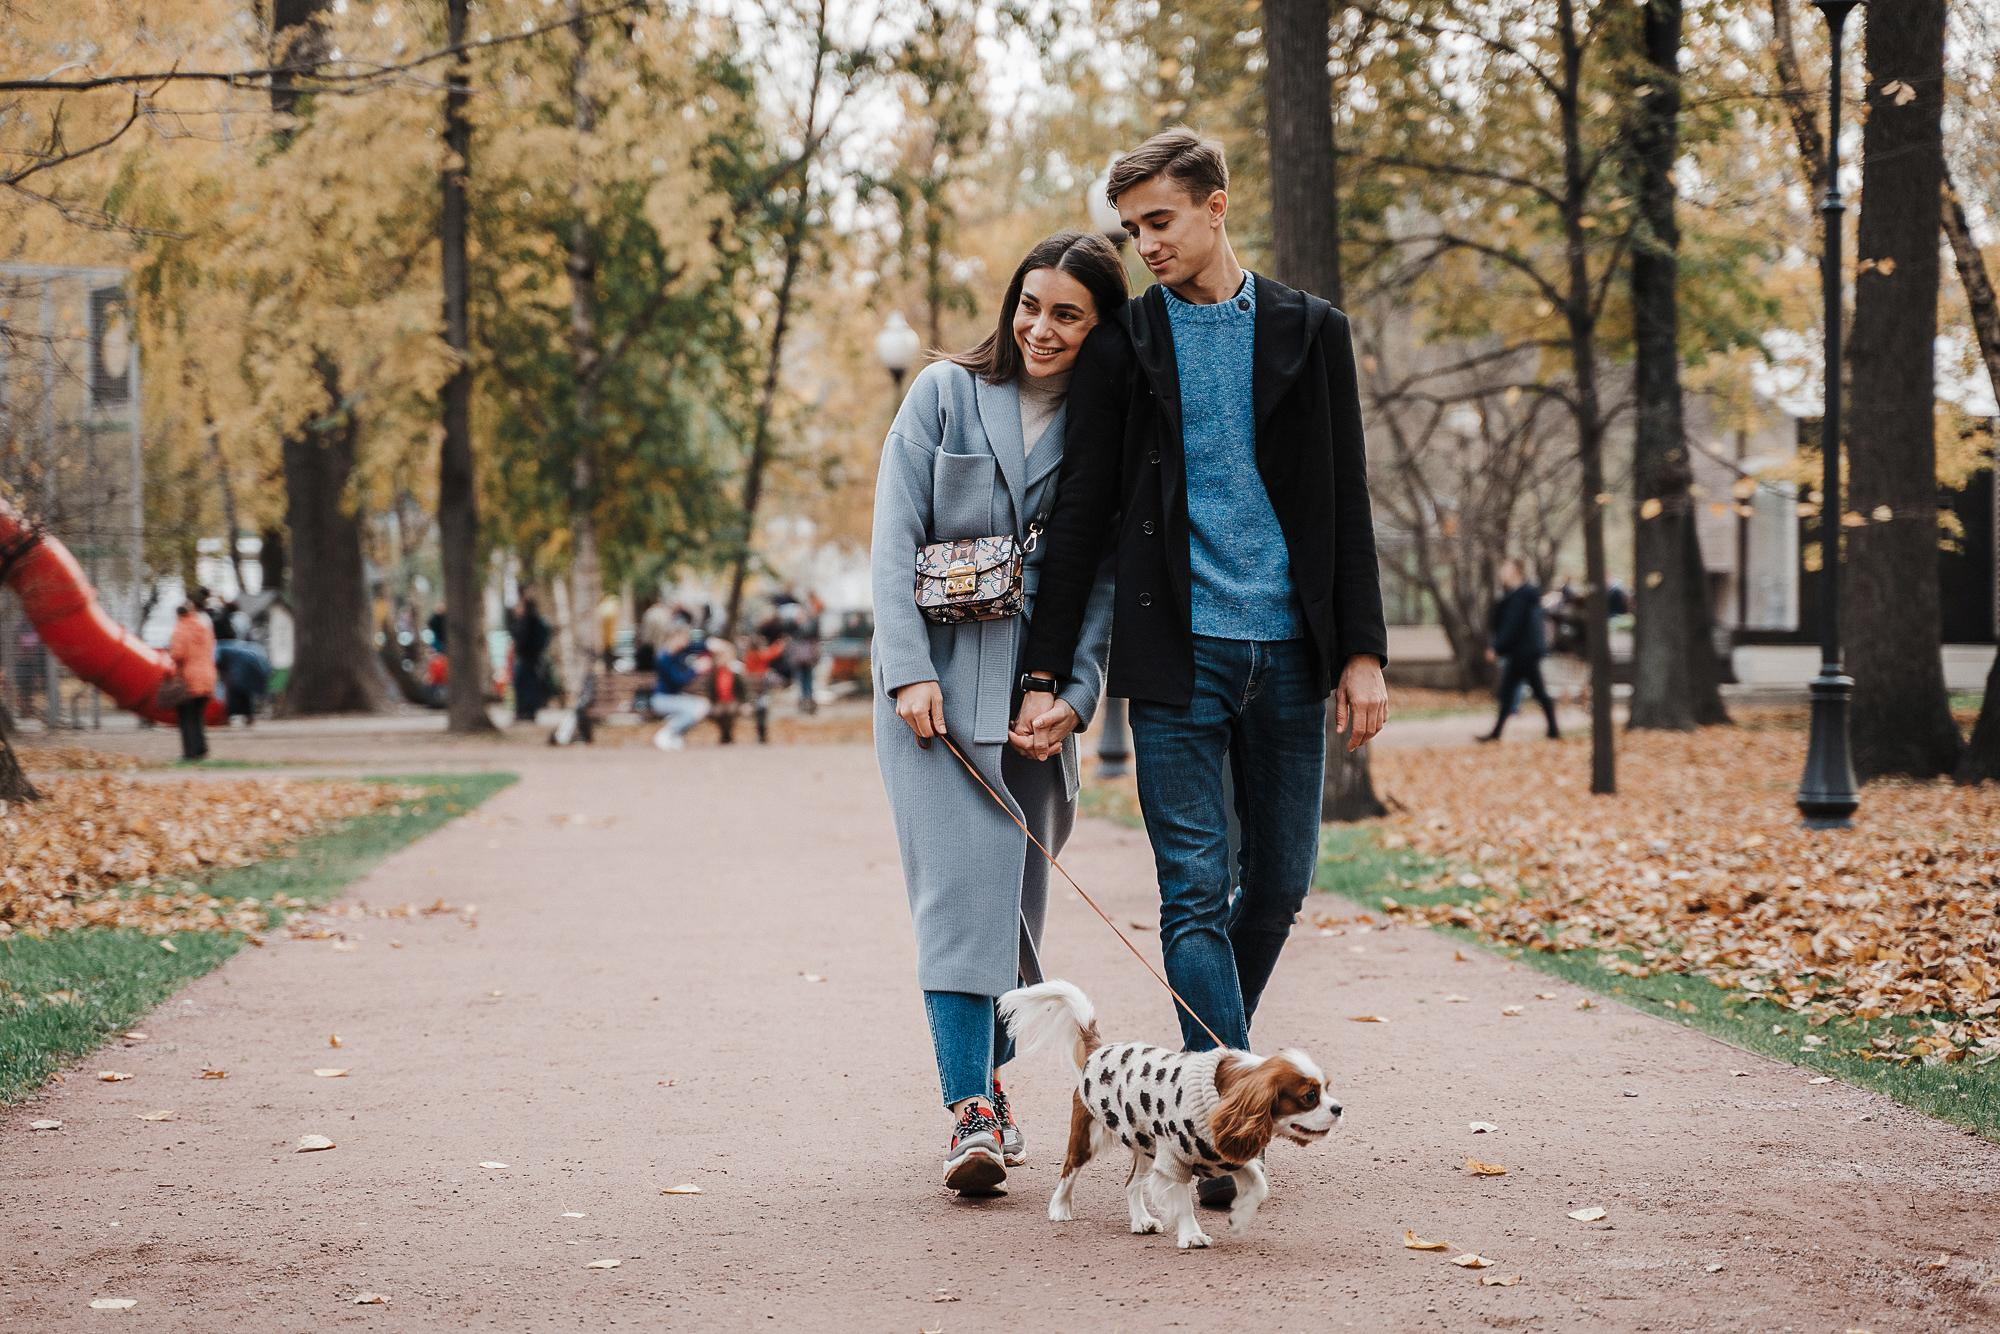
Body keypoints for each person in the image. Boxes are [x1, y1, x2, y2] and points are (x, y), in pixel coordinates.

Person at [1014, 129, 1390, 1209]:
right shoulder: (1125, 343)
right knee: (1192, 892)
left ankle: (1215, 1087)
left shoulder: (1309, 332)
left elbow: (1343, 497)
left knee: (1274, 880)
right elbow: (1082, 510)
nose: (1144, 245)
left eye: (1160, 223)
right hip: (1175, 655)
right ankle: (1224, 1122)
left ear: (1217, 207)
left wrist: (1359, 652)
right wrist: (1048, 672)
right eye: (1130, 229)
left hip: (1288, 651)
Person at [871, 229, 1123, 1196]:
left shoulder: (1105, 429)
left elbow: (1099, 581)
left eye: (1067, 314)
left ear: (1099, 328)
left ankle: (995, 1086)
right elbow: (894, 536)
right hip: (932, 695)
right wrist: (905, 673)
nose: (1040, 328)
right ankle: (969, 1113)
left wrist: (1076, 695)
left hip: (1033, 707)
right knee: (954, 901)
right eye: (1030, 305)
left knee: (1012, 909)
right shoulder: (941, 393)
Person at [1479, 558, 1560, 742]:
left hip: (1524, 653)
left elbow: (1511, 625)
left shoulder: (1521, 596)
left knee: (1531, 692)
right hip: (1522, 652)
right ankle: (1551, 730)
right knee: (1514, 693)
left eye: (1506, 568)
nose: (1502, 572)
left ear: (1516, 571)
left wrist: (1496, 647)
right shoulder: (1517, 595)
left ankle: (1498, 733)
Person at [167, 602, 218, 761]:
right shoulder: (204, 628)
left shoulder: (180, 629)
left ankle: (190, 753)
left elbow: (177, 654)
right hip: (207, 676)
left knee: (186, 717)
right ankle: (201, 749)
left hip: (189, 678)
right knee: (198, 715)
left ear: (178, 614)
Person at [649, 626, 711, 750]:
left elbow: (695, 647)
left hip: (673, 697)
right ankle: (667, 733)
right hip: (662, 699)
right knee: (697, 708)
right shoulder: (664, 657)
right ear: (675, 638)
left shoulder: (677, 653)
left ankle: (675, 735)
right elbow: (678, 680)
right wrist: (696, 669)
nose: (686, 643)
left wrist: (710, 643)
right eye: (684, 639)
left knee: (703, 705)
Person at [510, 595, 551, 723]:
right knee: (526, 684)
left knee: (523, 684)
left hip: (527, 657)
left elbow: (521, 639)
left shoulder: (528, 622)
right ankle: (526, 711)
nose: (516, 609)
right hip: (532, 657)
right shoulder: (534, 621)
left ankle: (525, 711)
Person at [216, 638, 273, 726]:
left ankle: (227, 717)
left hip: (242, 666)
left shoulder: (217, 648)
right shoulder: (227, 646)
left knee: (236, 690)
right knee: (245, 691)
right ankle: (249, 717)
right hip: (253, 662)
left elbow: (218, 663)